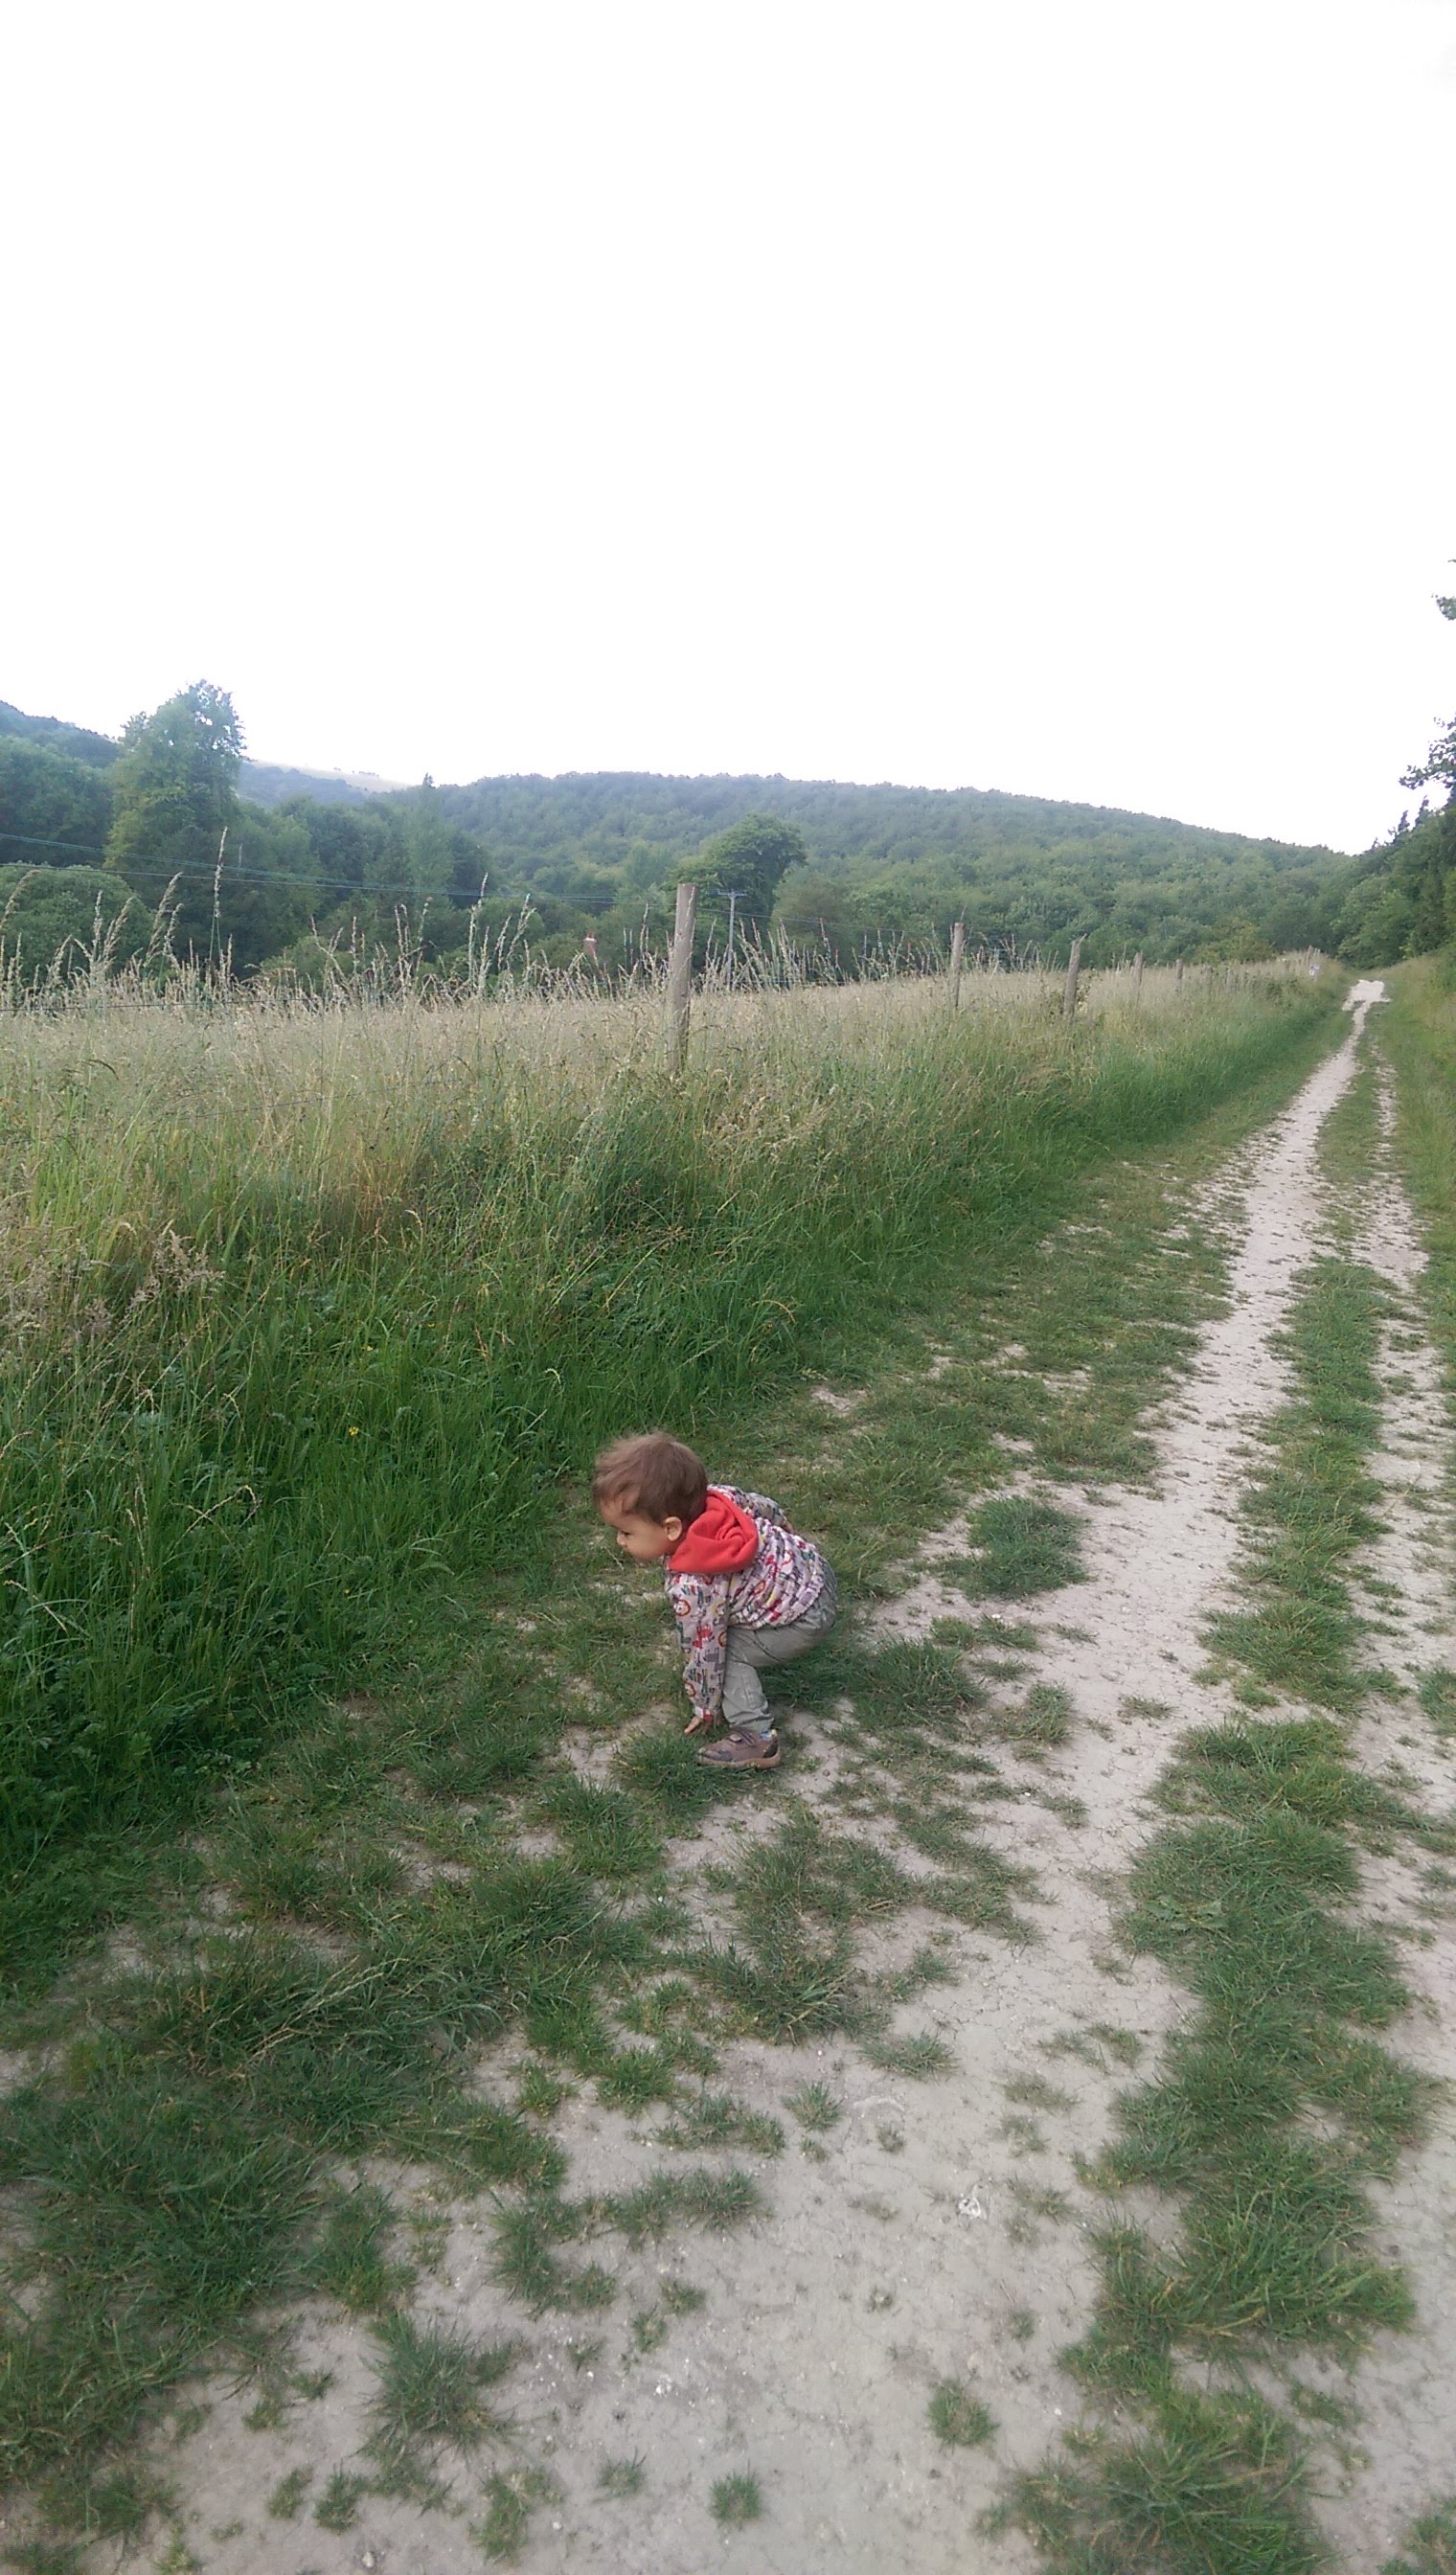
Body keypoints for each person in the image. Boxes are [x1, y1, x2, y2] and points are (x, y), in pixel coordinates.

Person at [591, 1432, 837, 1770]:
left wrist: (704, 1704)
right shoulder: (720, 1497)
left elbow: (705, 1648)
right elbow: (763, 1505)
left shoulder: (693, 1584)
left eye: (626, 1532)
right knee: (732, 1620)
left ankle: (756, 1737)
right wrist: (784, 1527)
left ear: (672, 1528)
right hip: (818, 1574)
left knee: (729, 1650)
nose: (620, 1541)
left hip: (803, 1621)